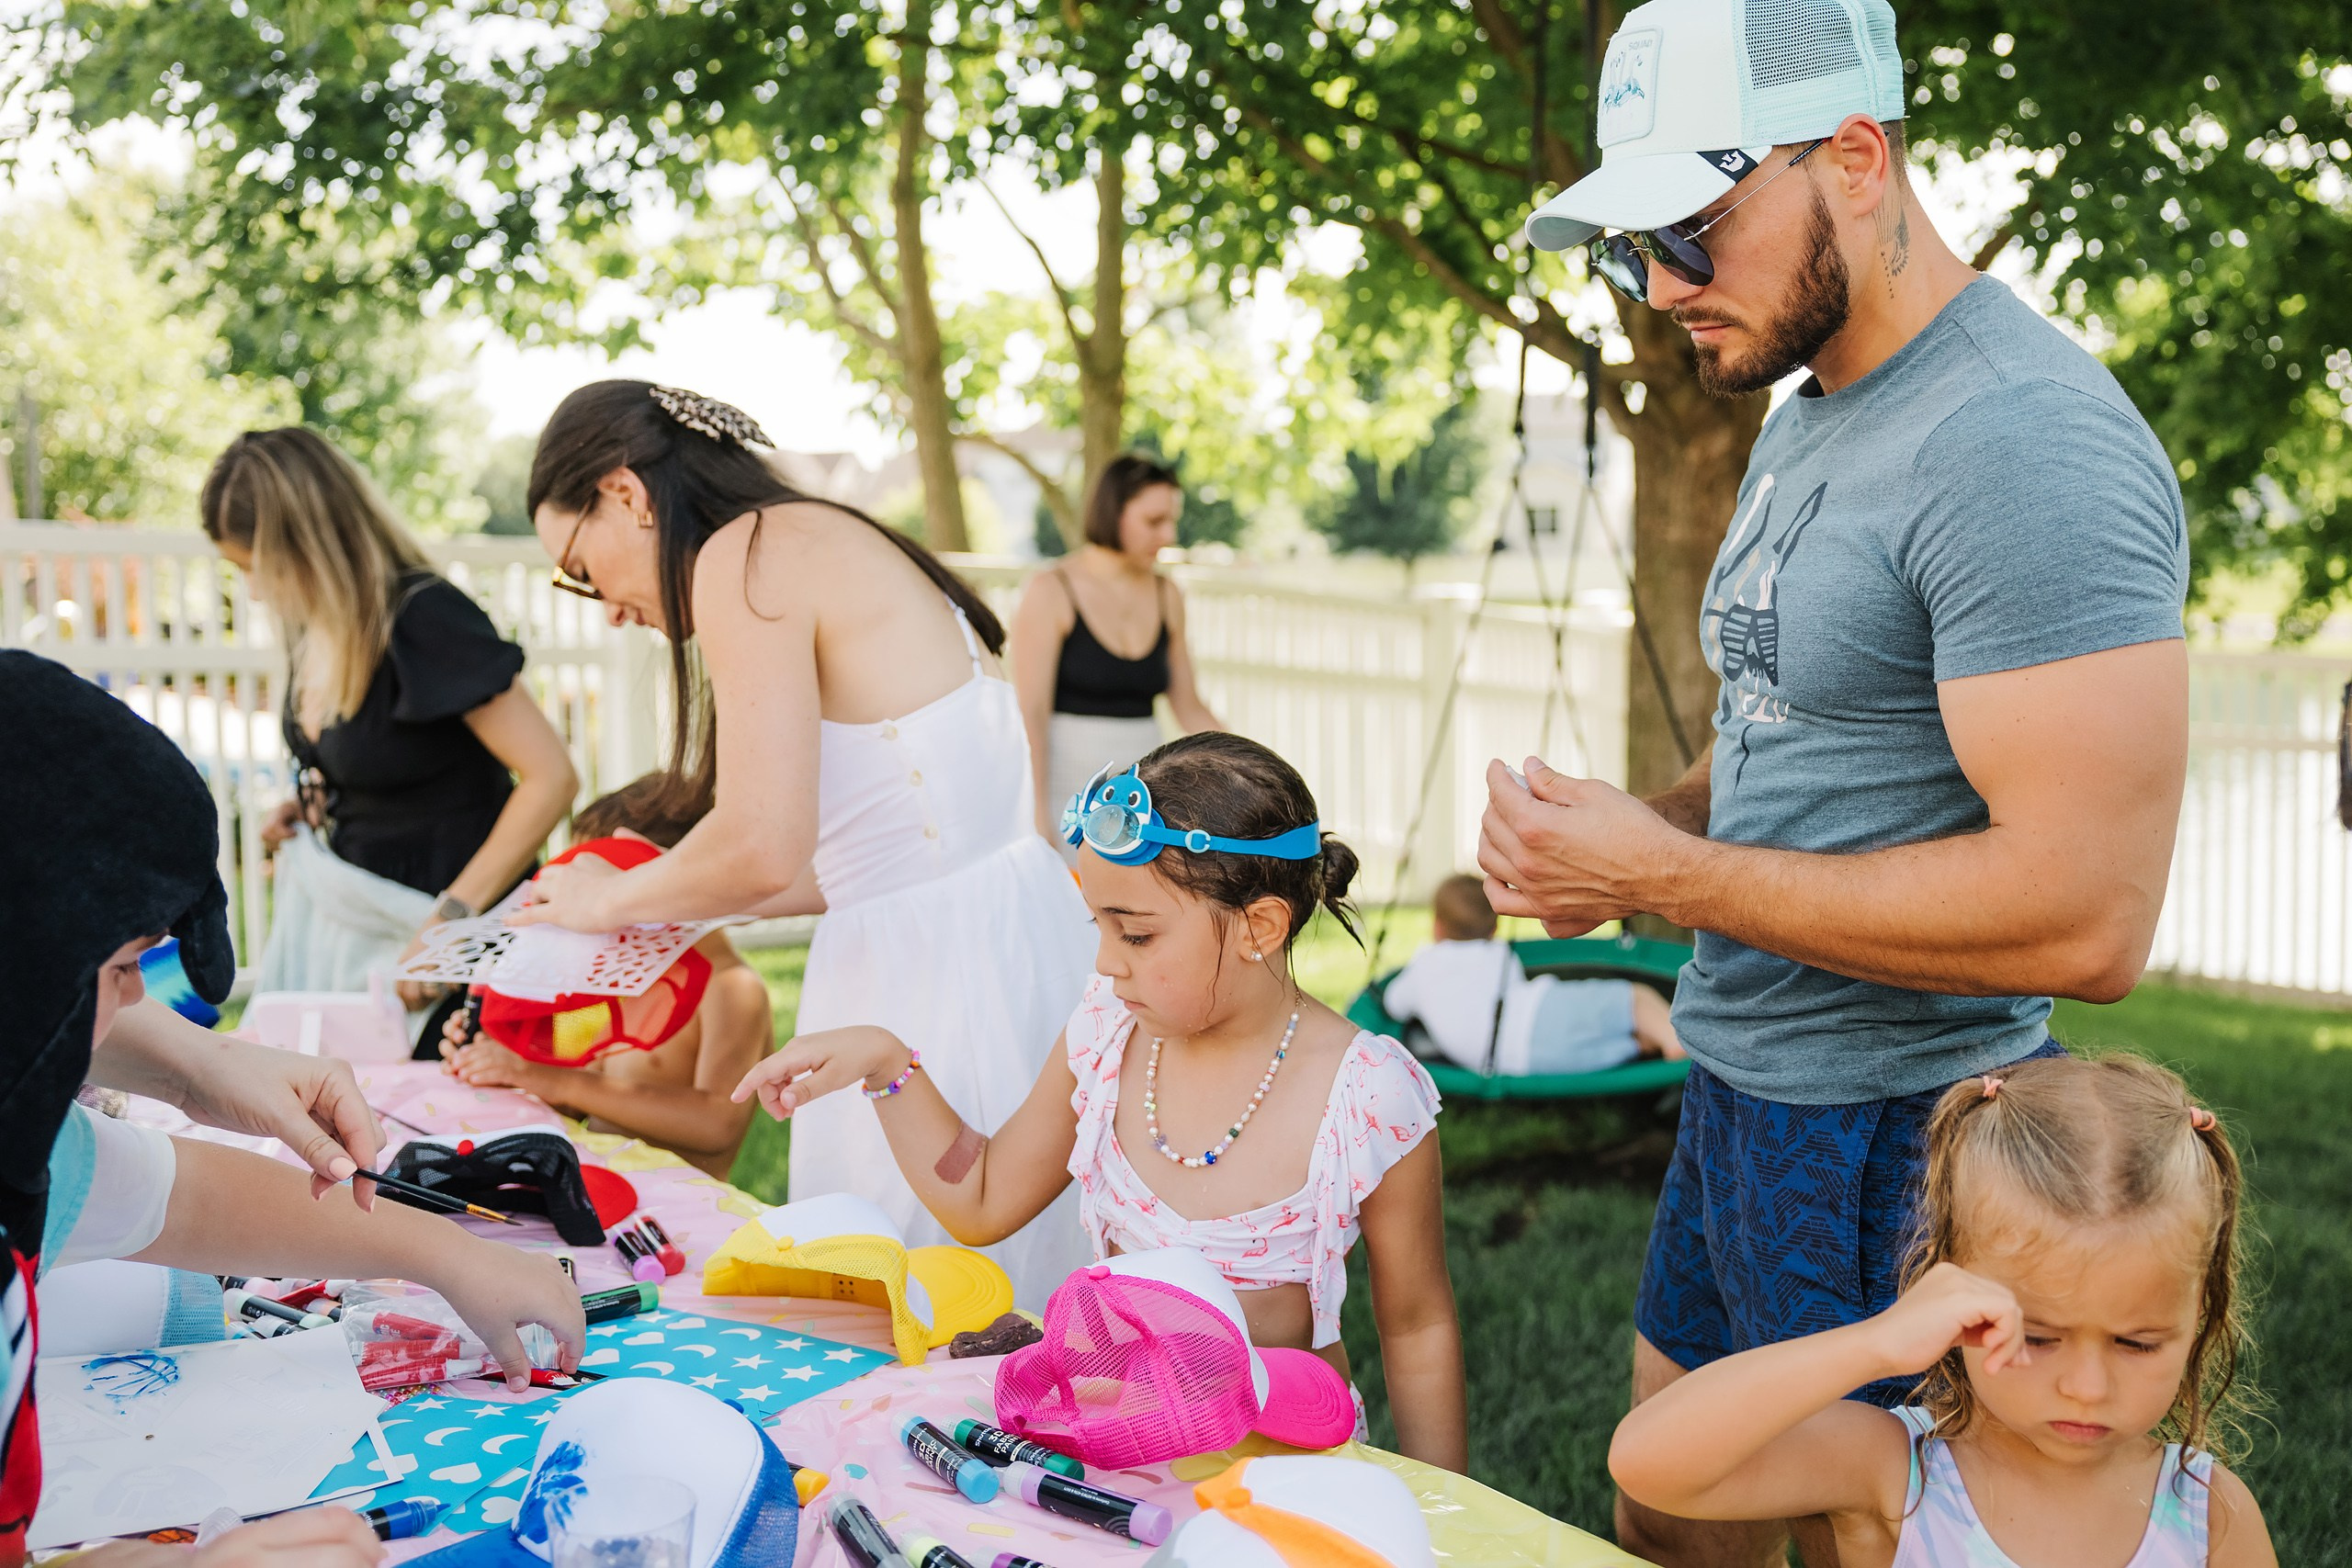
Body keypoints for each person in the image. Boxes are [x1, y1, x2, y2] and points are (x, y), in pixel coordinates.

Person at [1493, 3, 2189, 1562]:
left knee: (1863, 1530)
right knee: (1668, 1507)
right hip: (1743, 1085)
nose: (1659, 286)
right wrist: (1634, 833)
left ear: (1857, 159)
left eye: (1689, 229)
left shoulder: (2022, 444)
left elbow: (2089, 918)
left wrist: (1661, 877)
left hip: (1902, 1128)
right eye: (1630, 248)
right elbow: (1791, 721)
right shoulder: (1809, 401)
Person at [732, 733, 1469, 1472]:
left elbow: (1417, 1328)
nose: (1106, 961)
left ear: (1261, 927)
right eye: (1100, 926)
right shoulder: (1107, 1035)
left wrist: (1449, 1511)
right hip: (1117, 1460)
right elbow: (981, 1197)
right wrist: (885, 1061)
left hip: (1281, 1478)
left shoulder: (1366, 1094)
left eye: (1137, 934)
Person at [507, 381, 1091, 1305]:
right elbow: (860, 859)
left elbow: (760, 847)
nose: (604, 607)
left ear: (625, 494)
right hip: (1010, 949)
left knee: (919, 1301)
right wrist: (650, 906)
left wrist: (600, 897)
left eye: (580, 567)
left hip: (927, 989)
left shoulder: (745, 554)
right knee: (1006, 1301)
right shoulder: (822, 534)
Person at [0, 651, 582, 1568]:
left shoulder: (36, 1149)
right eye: (117, 969)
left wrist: (447, 1252)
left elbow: (181, 1197)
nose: (134, 1004)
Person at [1609, 1054, 2276, 1566]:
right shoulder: (1893, 1472)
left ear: (2199, 1314)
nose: (2087, 1386)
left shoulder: (2211, 1517)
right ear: (1954, 1293)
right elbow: (1646, 1461)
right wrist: (1875, 1342)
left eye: (2137, 1342)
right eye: (2038, 1336)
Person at [200, 428, 578, 1028]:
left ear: (312, 544)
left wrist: (449, 923)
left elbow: (551, 778)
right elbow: (382, 764)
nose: (255, 591)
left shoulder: (426, 616)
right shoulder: (312, 629)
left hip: (457, 952)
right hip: (363, 941)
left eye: (260, 568)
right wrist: (310, 805)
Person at [439, 773, 775, 1178]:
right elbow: (571, 1092)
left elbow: (717, 1124)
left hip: (680, 1199)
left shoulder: (732, 988)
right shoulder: (612, 980)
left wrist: (549, 1079)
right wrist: (501, 1060)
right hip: (598, 1184)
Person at [1011, 454, 1222, 859]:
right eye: (1154, 521)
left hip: (1145, 805)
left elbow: (1189, 705)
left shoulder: (1167, 594)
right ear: (1113, 512)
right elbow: (1030, 713)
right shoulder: (1050, 590)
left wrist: (1257, 765)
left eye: (1171, 520)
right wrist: (1036, 813)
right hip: (1067, 800)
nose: (1168, 534)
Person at [1382, 874, 1683, 1077]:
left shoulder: (1421, 966)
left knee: (1628, 1043)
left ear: (1437, 927)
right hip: (1538, 1015)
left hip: (1518, 1064)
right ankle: (1676, 1041)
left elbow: (1393, 1003)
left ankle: (1652, 1044)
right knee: (1636, 998)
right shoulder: (1498, 953)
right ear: (1494, 928)